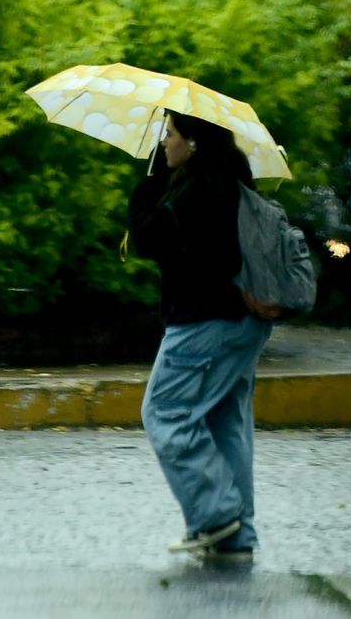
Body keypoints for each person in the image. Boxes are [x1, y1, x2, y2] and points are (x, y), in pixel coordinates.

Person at [126, 110, 272, 561]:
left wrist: (149, 180)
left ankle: (214, 515)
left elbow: (145, 238)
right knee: (225, 424)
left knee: (164, 413)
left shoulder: (198, 190)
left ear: (193, 142)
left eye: (169, 134)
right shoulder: (231, 181)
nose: (163, 142)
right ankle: (234, 537)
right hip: (242, 324)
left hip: (202, 324)